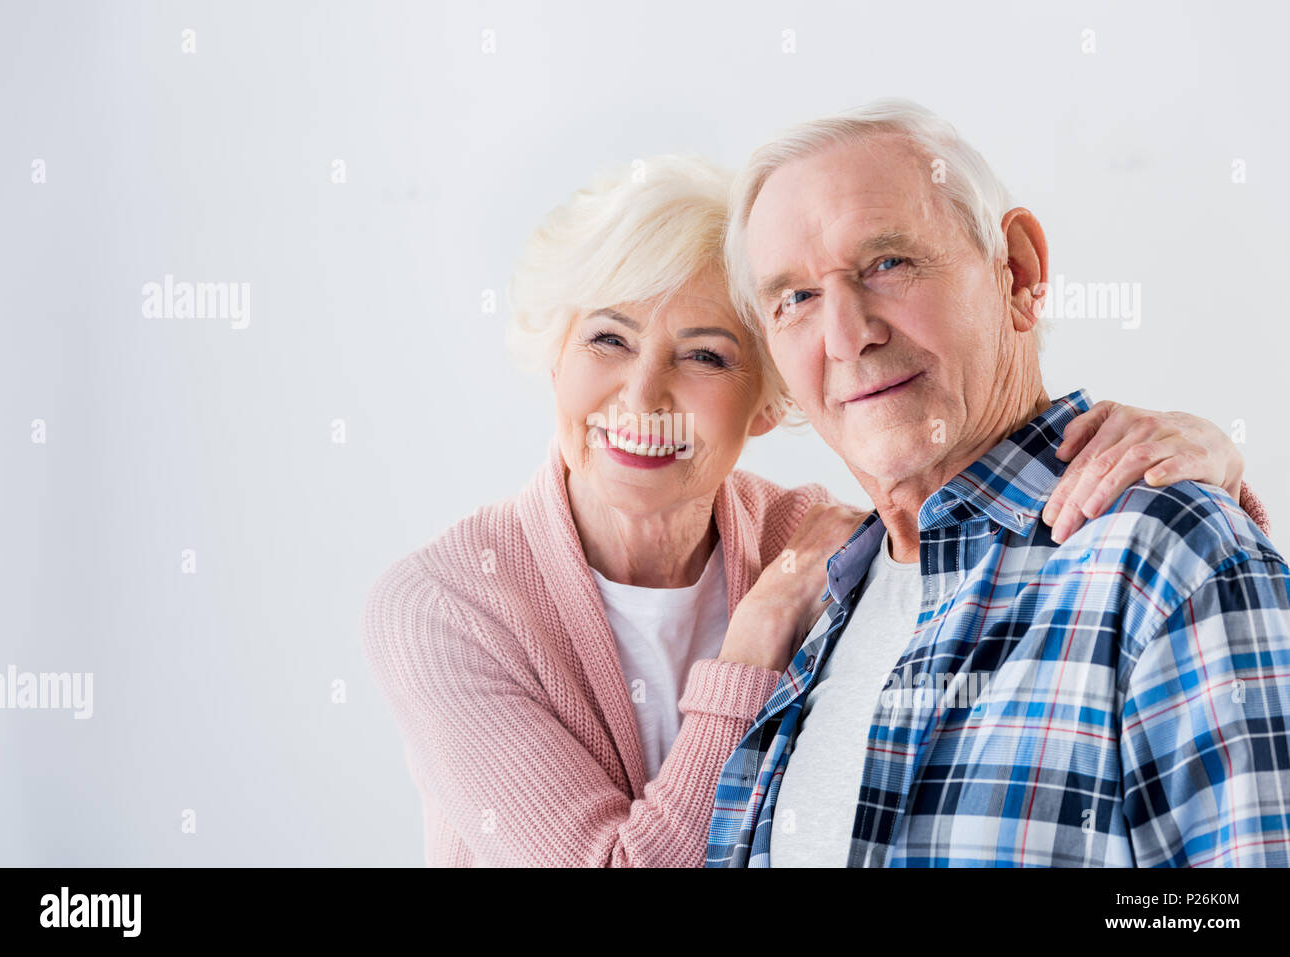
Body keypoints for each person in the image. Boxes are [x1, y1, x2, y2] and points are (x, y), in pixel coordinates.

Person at [362, 154, 1268, 867]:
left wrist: (1211, 468)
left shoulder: (834, 543)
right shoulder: (447, 605)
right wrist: (751, 644)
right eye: (607, 338)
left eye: (707, 356)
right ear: (551, 353)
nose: (643, 395)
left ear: (769, 399)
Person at [706, 98, 1288, 867]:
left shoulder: (1169, 557)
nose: (847, 335)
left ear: (1018, 270)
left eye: (888, 263)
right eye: (797, 299)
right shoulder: (820, 609)